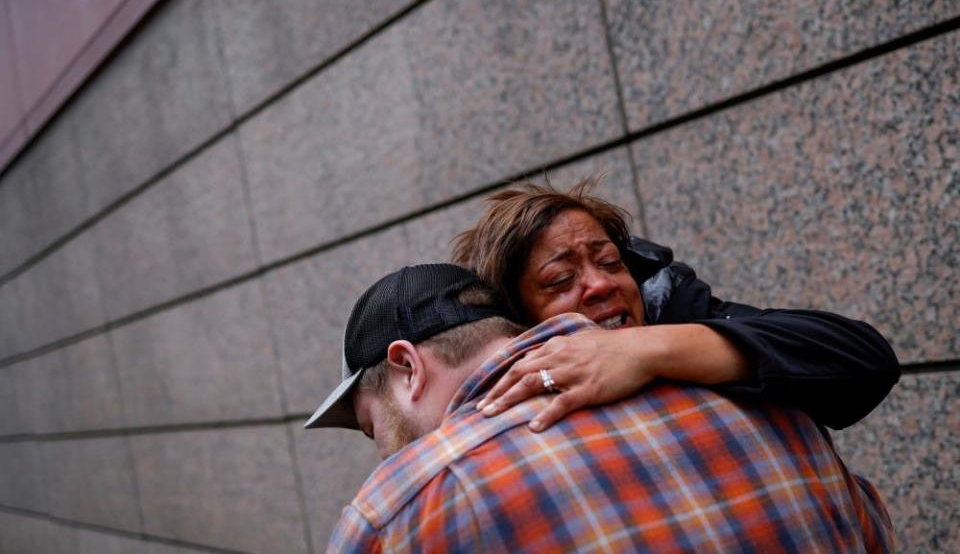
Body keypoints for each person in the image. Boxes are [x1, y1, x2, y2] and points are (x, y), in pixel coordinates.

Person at [305, 263, 893, 552]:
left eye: (368, 426)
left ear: (407, 367)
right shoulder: (765, 394)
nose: (379, 449)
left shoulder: (397, 509)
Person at [451, 180, 901, 432]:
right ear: (516, 320)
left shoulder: (673, 305)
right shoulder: (504, 417)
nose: (600, 284)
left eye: (609, 261)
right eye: (561, 280)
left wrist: (650, 349)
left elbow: (865, 360)